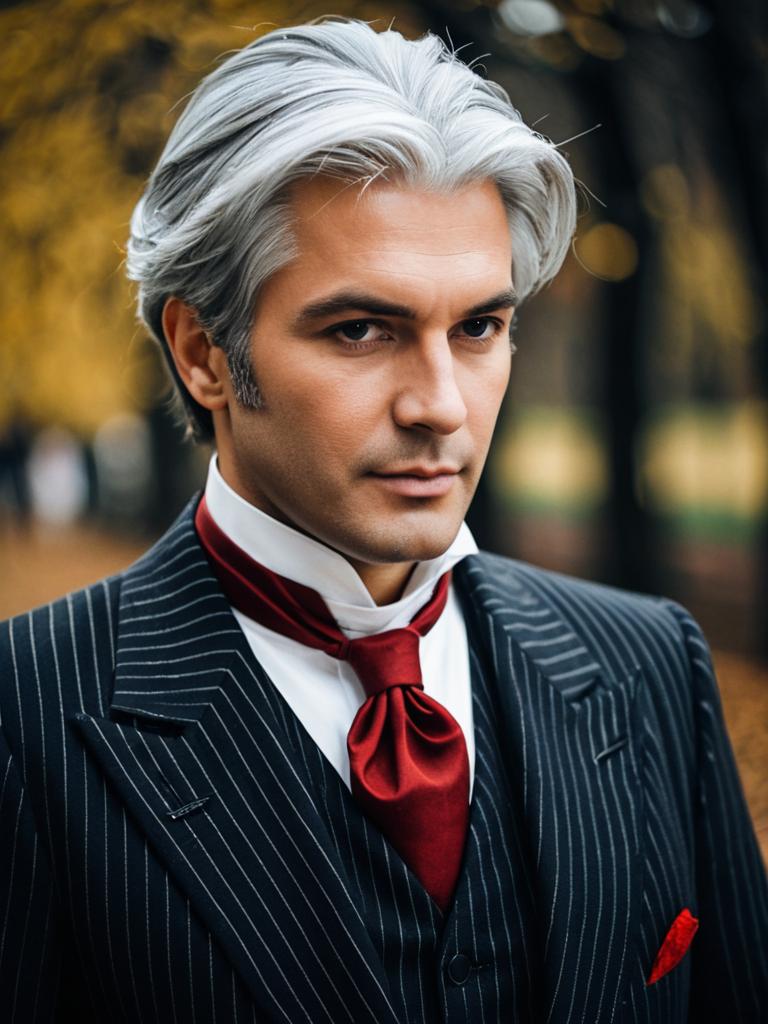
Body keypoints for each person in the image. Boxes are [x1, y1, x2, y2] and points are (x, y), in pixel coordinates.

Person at [1, 17, 766, 1024]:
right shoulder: (23, 715)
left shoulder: (652, 665)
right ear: (203, 352)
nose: (441, 405)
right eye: (362, 329)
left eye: (480, 326)